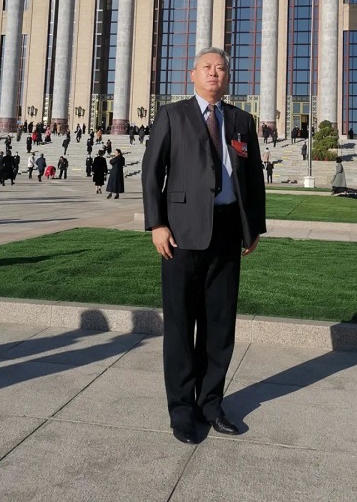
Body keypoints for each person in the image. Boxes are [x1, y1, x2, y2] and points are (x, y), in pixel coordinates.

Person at [141, 47, 265, 445]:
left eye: (221, 68)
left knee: (219, 325)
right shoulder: (172, 115)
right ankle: (181, 411)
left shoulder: (241, 120)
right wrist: (157, 224)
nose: (215, 73)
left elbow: (253, 177)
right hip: (180, 234)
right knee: (180, 324)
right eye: (207, 68)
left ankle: (210, 405)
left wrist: (253, 228)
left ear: (228, 77)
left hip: (227, 232)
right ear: (192, 74)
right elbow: (151, 171)